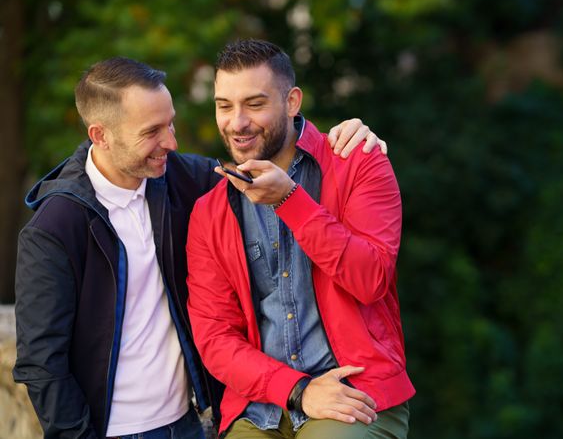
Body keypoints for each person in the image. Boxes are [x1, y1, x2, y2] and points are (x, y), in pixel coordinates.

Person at [13, 56, 385, 439]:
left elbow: (274, 162)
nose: (171, 142)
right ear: (100, 135)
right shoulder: (54, 229)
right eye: (152, 132)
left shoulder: (185, 180)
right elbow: (41, 363)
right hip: (111, 431)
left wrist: (347, 138)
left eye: (170, 122)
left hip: (192, 425)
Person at [186, 39, 414, 439]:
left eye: (255, 104)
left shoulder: (358, 160)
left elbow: (371, 278)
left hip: (355, 394)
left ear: (292, 102)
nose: (237, 122)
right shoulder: (209, 211)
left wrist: (291, 201)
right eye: (224, 105)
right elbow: (216, 339)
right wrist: (297, 390)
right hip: (261, 405)